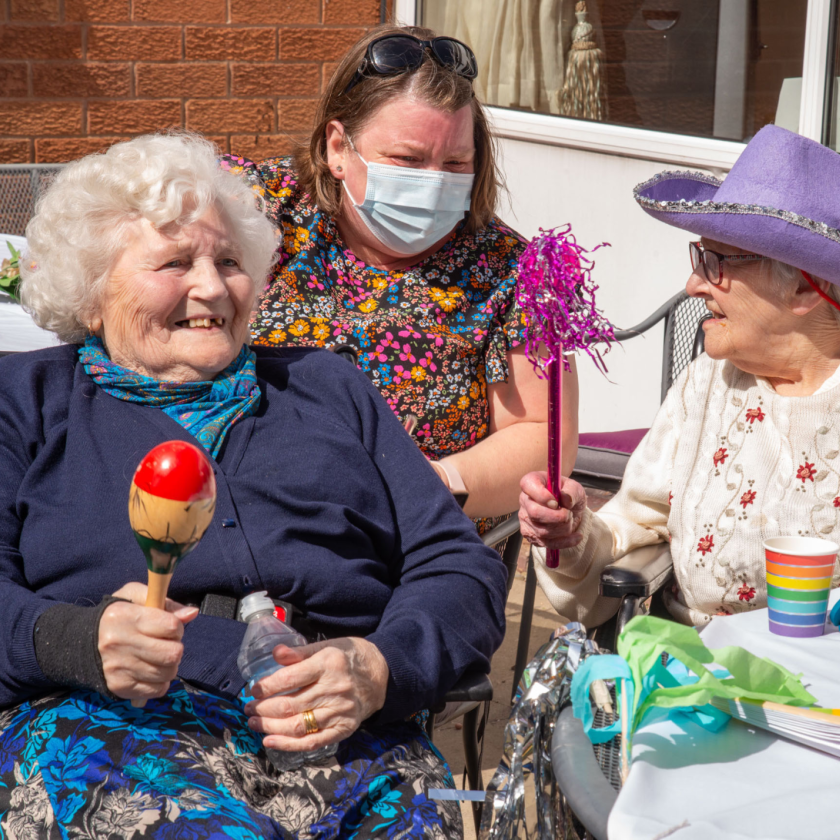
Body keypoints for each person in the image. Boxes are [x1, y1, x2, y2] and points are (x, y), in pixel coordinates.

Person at [0, 133, 507, 839]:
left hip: (338, 721)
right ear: (92, 294)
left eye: (229, 262)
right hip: (115, 725)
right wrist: (75, 640)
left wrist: (378, 665)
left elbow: (458, 566)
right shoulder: (23, 402)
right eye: (175, 263)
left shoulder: (326, 387)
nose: (211, 287)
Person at [221, 23, 578, 530]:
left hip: (411, 547)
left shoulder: (516, 274)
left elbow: (543, 438)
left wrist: (427, 483)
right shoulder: (259, 210)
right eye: (407, 160)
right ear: (338, 147)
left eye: (456, 162)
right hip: (240, 518)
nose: (433, 182)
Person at [518, 125, 840, 628]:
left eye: (715, 262)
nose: (693, 284)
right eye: (698, 257)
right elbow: (635, 526)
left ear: (803, 288)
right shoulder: (707, 383)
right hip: (688, 676)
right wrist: (574, 532)